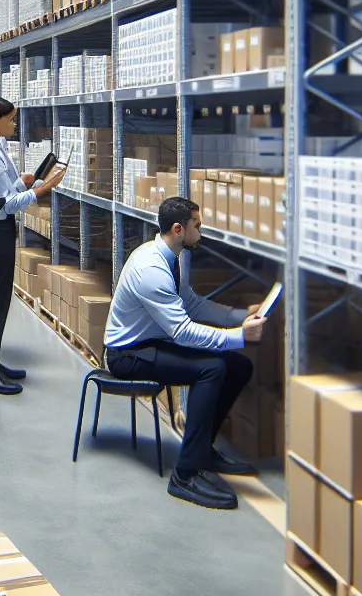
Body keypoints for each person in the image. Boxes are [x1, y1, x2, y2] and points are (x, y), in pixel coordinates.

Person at [103, 196, 267, 511]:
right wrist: (239, 336)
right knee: (212, 368)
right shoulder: (151, 269)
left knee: (237, 367)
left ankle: (202, 449)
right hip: (127, 354)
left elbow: (190, 304)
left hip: (151, 342)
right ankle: (185, 474)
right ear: (179, 229)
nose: (201, 233)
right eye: (198, 226)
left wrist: (239, 314)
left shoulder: (169, 257)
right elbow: (183, 332)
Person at [0, 97, 64, 395]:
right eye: (10, 119)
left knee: (0, 299)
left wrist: (26, 181)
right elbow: (7, 204)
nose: (15, 124)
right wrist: (43, 189)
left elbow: (7, 190)